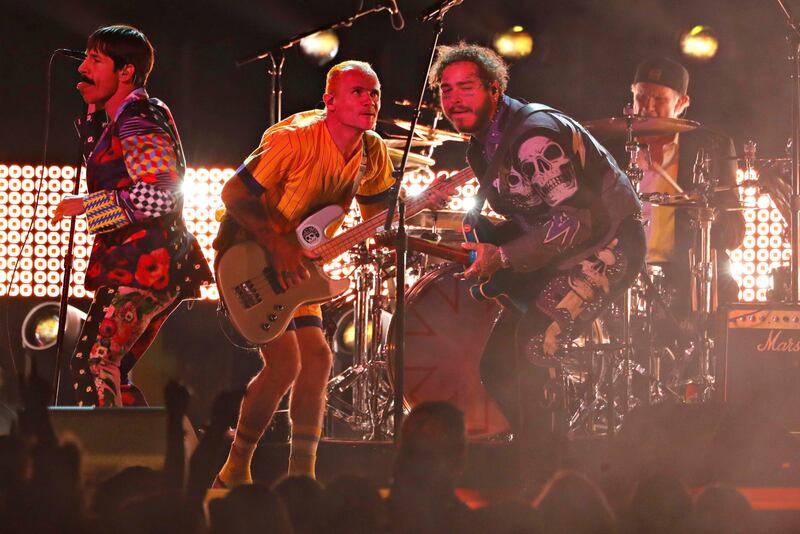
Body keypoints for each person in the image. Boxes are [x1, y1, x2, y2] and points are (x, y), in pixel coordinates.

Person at [427, 43, 645, 464]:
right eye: (446, 90)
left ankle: (550, 472)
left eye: (466, 88)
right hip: (558, 254)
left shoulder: (533, 137)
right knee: (498, 365)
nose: (454, 99)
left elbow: (577, 221)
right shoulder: (484, 144)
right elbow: (537, 216)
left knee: (532, 348)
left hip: (608, 247)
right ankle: (536, 456)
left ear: (494, 89)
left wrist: (503, 258)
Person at [211, 60, 396, 486]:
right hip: (250, 257)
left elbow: (376, 217)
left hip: (300, 267)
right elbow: (234, 192)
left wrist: (397, 221)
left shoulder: (372, 151)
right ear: (329, 101)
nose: (370, 100)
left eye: (375, 93)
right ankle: (235, 469)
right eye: (358, 92)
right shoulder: (294, 141)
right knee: (285, 365)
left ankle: (301, 477)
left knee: (318, 359)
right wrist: (278, 245)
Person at [52, 25, 212, 408]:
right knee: (109, 367)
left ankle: (112, 463)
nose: (82, 69)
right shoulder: (124, 116)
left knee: (96, 362)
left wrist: (89, 205)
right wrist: (93, 110)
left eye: (95, 60)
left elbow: (160, 194)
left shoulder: (139, 118)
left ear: (125, 72)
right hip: (142, 264)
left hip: (146, 264)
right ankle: (148, 458)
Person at [627, 57, 745, 324]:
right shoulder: (614, 147)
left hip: (684, 279)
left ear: (682, 104)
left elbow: (734, 233)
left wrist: (704, 213)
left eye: (659, 99)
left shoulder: (711, 148)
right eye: (641, 96)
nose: (648, 107)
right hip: (624, 276)